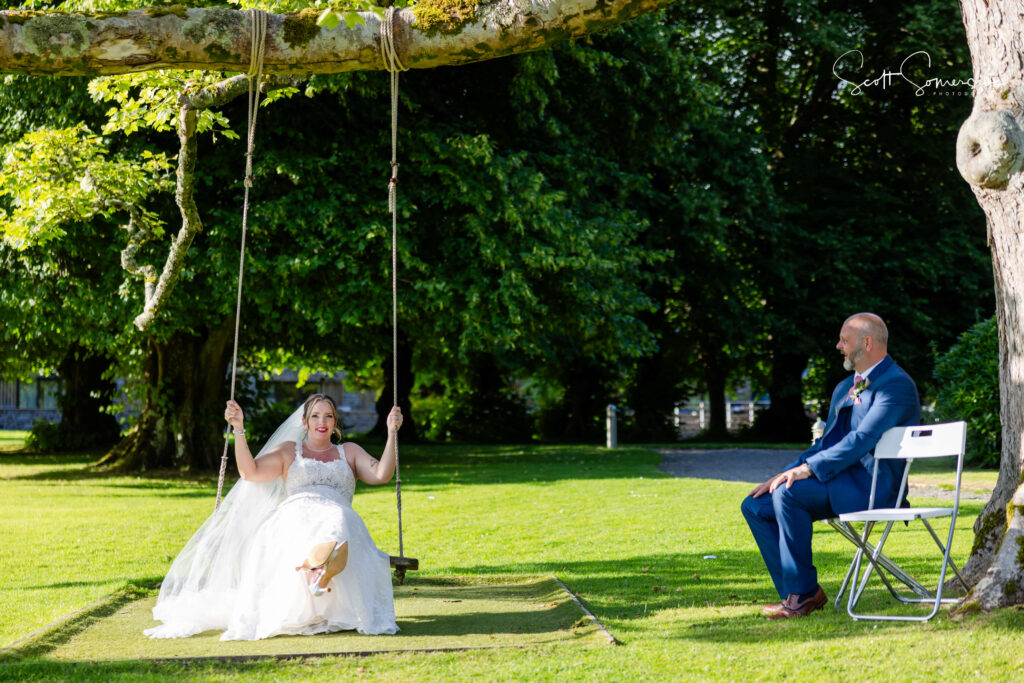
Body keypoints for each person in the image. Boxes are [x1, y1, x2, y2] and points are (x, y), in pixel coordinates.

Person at [144, 394, 403, 640]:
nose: (321, 423)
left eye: (328, 417)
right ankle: (318, 567)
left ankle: (317, 567)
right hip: (297, 510)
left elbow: (381, 474)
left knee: (337, 518)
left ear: (335, 423)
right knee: (306, 522)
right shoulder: (290, 451)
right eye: (315, 416)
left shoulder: (349, 451)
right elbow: (250, 472)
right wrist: (239, 429)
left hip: (337, 510)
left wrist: (392, 433)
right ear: (304, 422)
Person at [740, 313, 919, 620]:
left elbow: (863, 439)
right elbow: (823, 445)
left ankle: (802, 596)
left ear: (867, 343)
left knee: (789, 494)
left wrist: (806, 471)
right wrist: (783, 474)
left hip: (872, 487)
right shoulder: (844, 388)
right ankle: (799, 591)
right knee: (756, 505)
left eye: (844, 340)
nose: (838, 346)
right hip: (838, 481)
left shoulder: (896, 386)